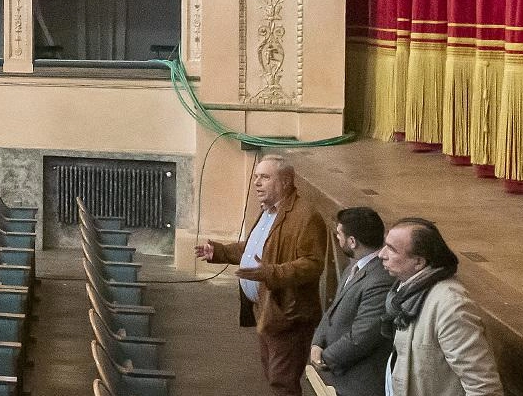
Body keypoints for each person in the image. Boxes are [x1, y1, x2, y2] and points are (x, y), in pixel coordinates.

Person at [195, 155, 327, 396]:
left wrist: (272, 272)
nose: (256, 183)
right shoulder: (269, 211)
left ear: (286, 182)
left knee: (282, 381)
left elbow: (313, 264)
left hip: (289, 314)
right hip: (267, 310)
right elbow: (256, 249)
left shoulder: (305, 217)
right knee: (274, 376)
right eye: (256, 177)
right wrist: (221, 251)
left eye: (265, 177)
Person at [378, 218, 502, 396]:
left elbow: (483, 388)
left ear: (419, 262)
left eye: (391, 249)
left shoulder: (452, 307)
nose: (381, 254)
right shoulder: (405, 292)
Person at [310, 207, 394, 396]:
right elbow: (333, 309)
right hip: (342, 378)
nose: (337, 239)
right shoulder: (353, 267)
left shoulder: (380, 279)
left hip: (360, 384)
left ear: (352, 241)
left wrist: (325, 358)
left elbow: (363, 335)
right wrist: (317, 342)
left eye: (339, 234)